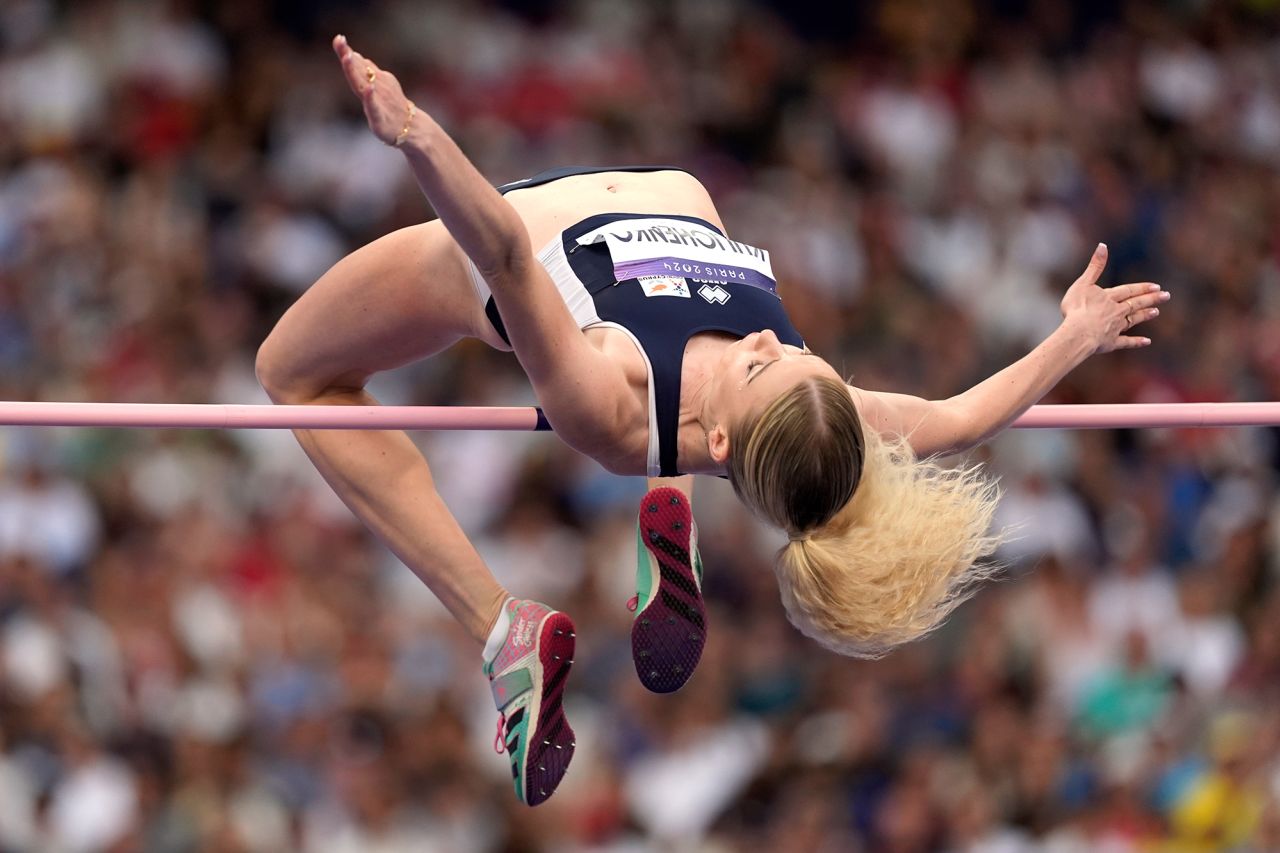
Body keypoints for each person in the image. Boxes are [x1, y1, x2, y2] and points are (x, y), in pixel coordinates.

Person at [254, 36, 1170, 806]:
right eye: (800, 354)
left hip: (528, 250)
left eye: (762, 367)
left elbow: (495, 248)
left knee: (293, 377)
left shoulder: (602, 395)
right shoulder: (822, 416)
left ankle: (504, 629)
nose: (773, 341)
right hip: (661, 213)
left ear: (726, 444)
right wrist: (1073, 337)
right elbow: (961, 416)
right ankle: (668, 500)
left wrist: (416, 136)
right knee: (686, 418)